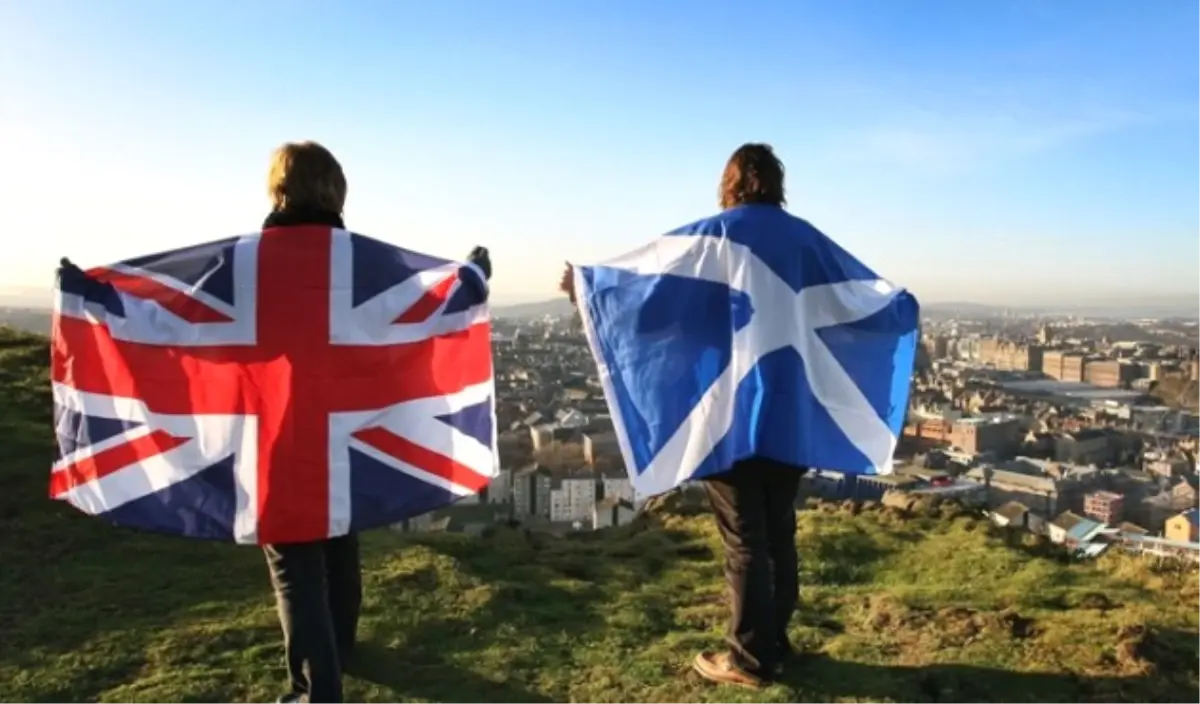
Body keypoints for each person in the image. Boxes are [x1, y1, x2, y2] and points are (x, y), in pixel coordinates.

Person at [559, 143, 804, 690]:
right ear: (777, 184)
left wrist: (586, 290)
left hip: (731, 414)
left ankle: (749, 660)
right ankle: (777, 643)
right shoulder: (804, 242)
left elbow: (652, 300)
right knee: (779, 531)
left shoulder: (713, 240)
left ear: (731, 184)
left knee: (745, 538)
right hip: (790, 412)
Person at [261, 141, 490, 703]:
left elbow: (176, 316)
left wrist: (93, 295)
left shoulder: (250, 264)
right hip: (349, 428)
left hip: (283, 432)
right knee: (339, 536)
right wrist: (470, 278)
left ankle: (316, 691)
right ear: (336, 192)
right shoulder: (360, 266)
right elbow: (418, 306)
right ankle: (341, 644)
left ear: (278, 190)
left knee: (295, 565)